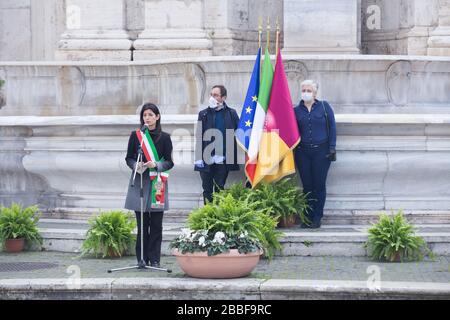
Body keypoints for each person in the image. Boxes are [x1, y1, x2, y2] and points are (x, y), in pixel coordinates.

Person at [124, 103, 174, 267]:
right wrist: (135, 165)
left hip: (157, 183)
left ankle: (155, 259)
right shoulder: (136, 135)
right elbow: (129, 158)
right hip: (140, 182)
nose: (147, 118)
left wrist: (157, 165)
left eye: (151, 115)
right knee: (142, 224)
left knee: (156, 224)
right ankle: (142, 259)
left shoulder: (165, 137)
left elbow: (169, 162)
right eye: (145, 115)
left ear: (157, 117)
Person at [294, 80, 337, 229]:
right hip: (303, 153)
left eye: (309, 90)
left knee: (319, 185)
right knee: (307, 186)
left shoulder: (324, 107)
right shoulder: (296, 110)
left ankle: (317, 217)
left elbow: (332, 127)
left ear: (315, 93)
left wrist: (332, 147)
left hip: (322, 152)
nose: (306, 93)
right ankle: (307, 217)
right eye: (304, 90)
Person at [194, 85, 240, 204]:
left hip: (223, 158)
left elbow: (240, 132)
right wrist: (198, 157)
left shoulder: (231, 113)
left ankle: (218, 216)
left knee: (219, 187)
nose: (212, 97)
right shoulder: (203, 114)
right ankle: (207, 216)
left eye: (215, 95)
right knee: (207, 189)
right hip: (206, 157)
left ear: (223, 97)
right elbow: (199, 136)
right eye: (211, 95)